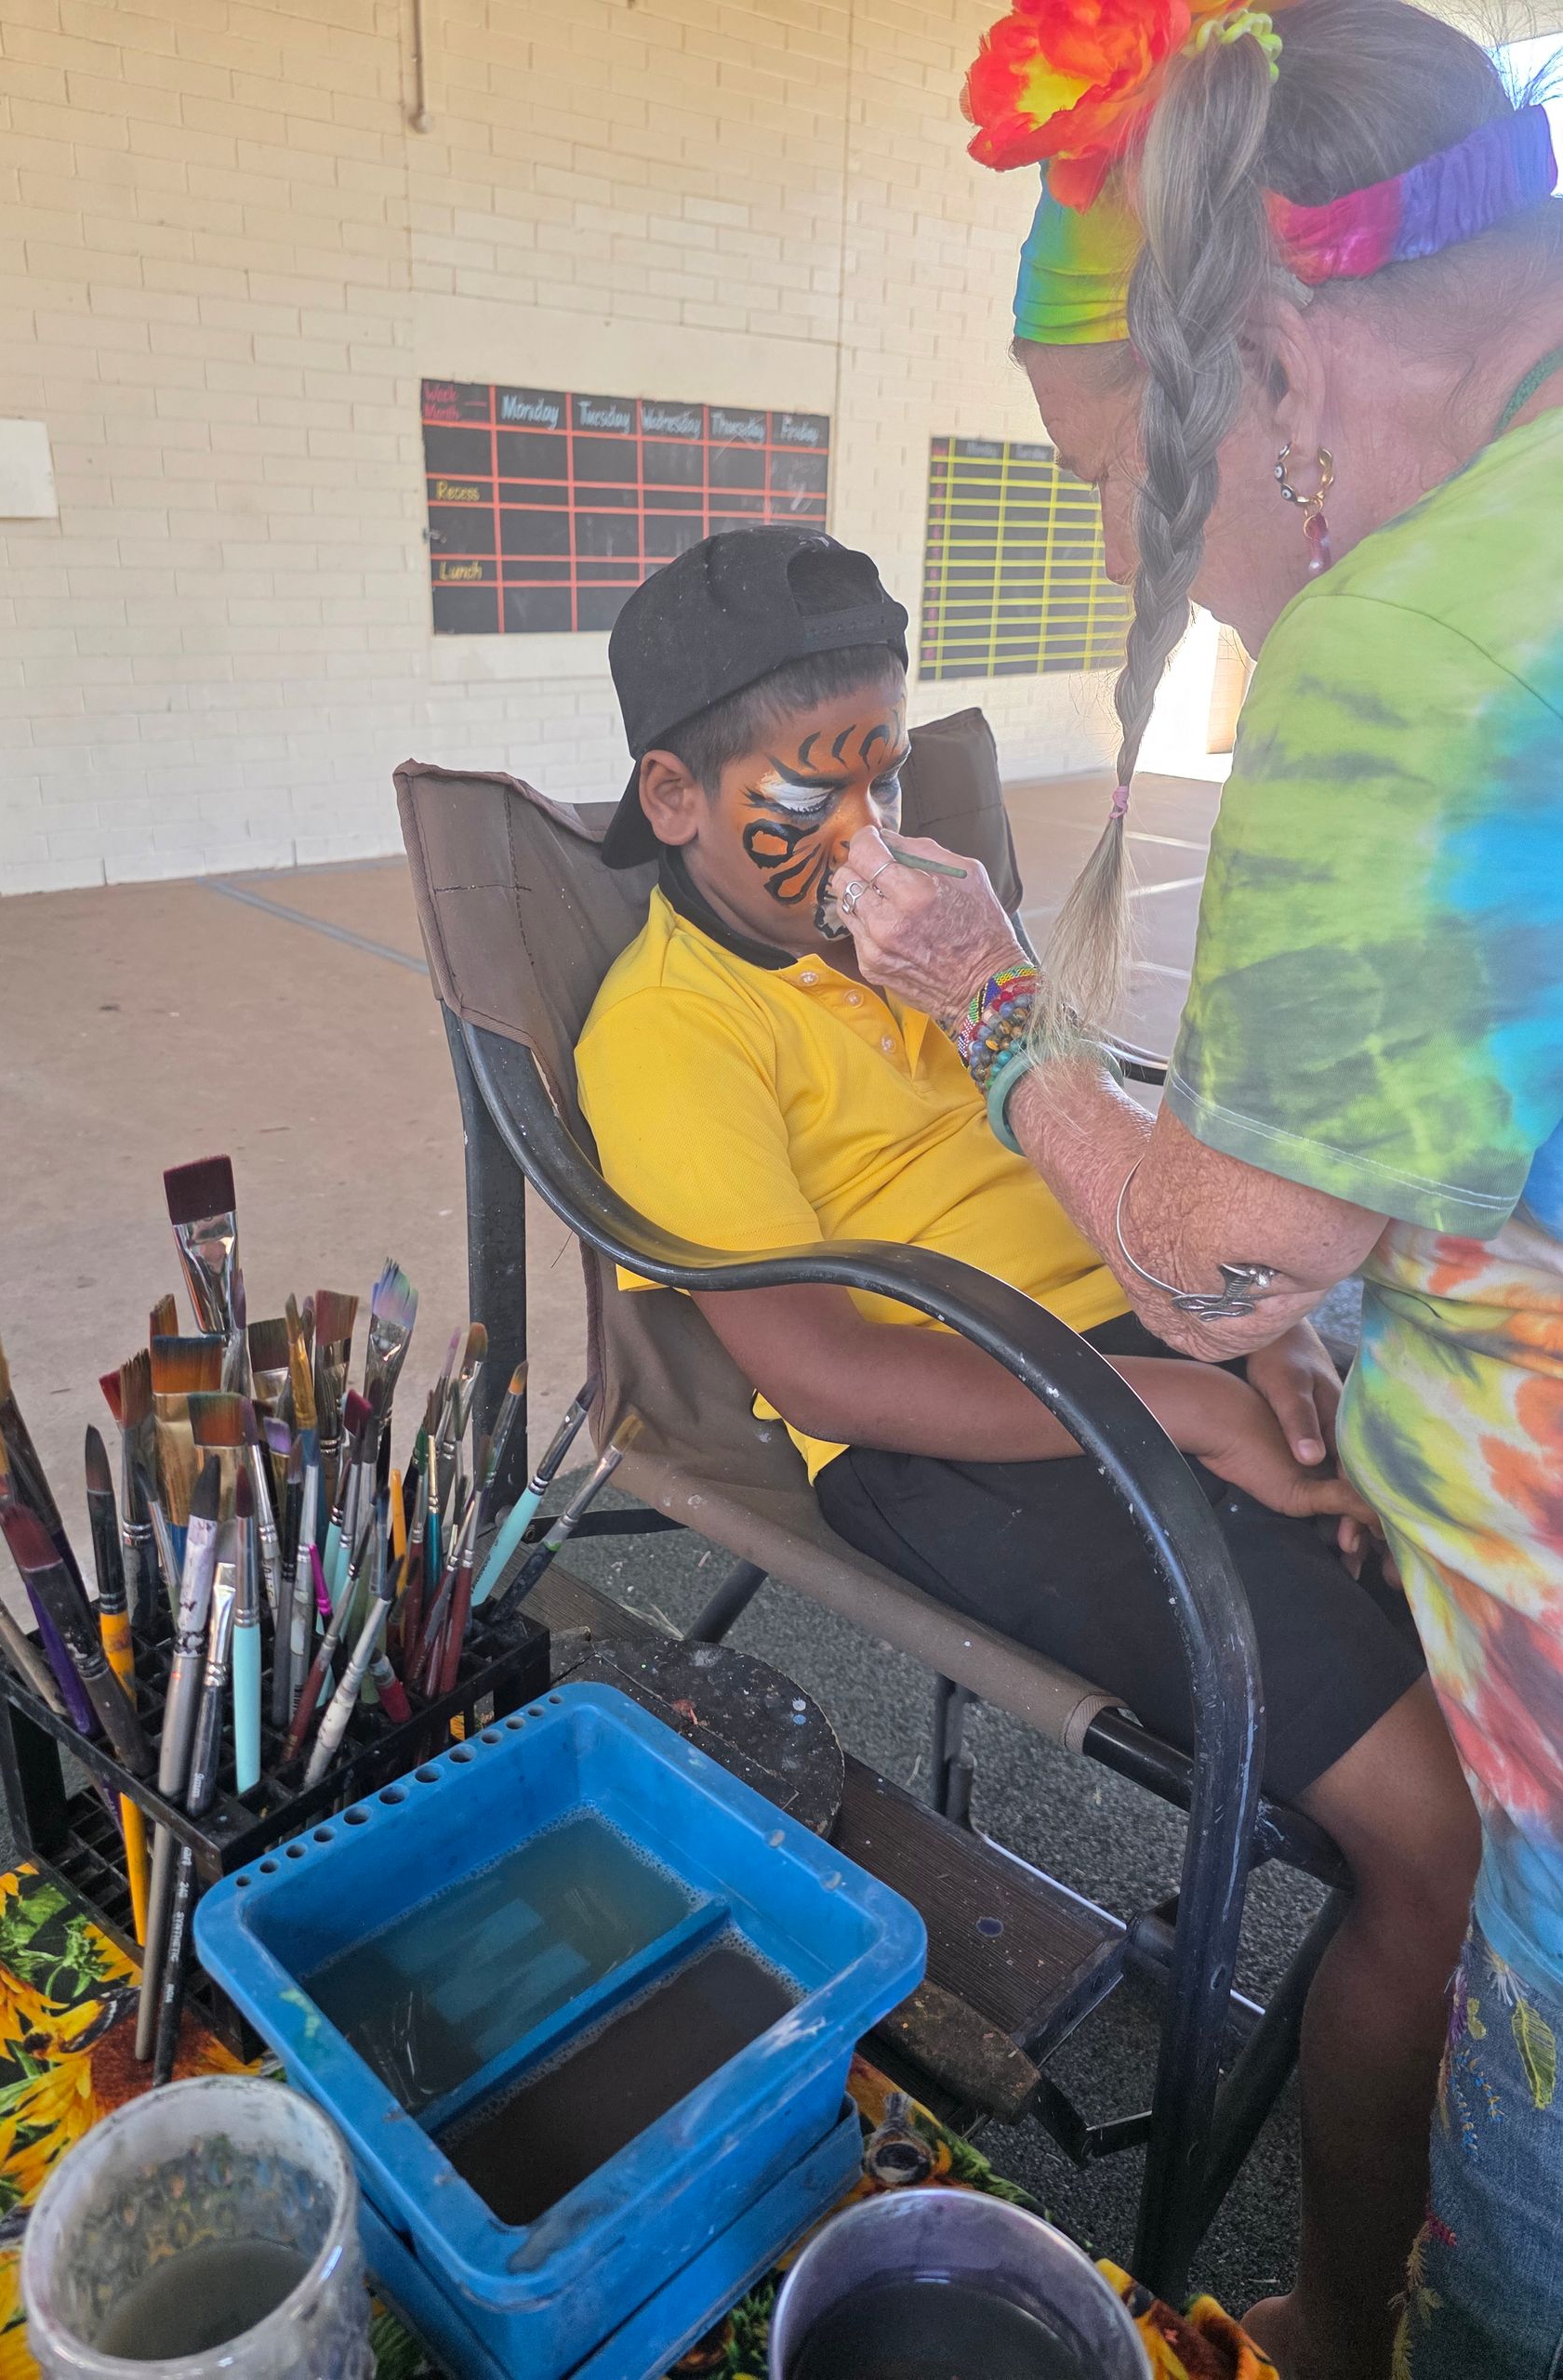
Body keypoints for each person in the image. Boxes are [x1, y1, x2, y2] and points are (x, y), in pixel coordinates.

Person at [824, 3, 1563, 2373]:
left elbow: (1218, 1250)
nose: (1144, 543)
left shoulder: (1417, 659)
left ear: (1273, 358)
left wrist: (999, 1011)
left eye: (1115, 462)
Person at [577, 524, 1478, 2378]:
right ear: (671, 793)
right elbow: (826, 1361)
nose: (871, 835)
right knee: (1438, 1828)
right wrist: (1187, 1396)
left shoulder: (910, 938)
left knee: (1489, 1631)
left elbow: (1089, 1135)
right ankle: (1344, 2313)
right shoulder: (667, 1033)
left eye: (886, 773)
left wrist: (1254, 1326)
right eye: (808, 791)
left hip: (1138, 1347)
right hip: (969, 1428)